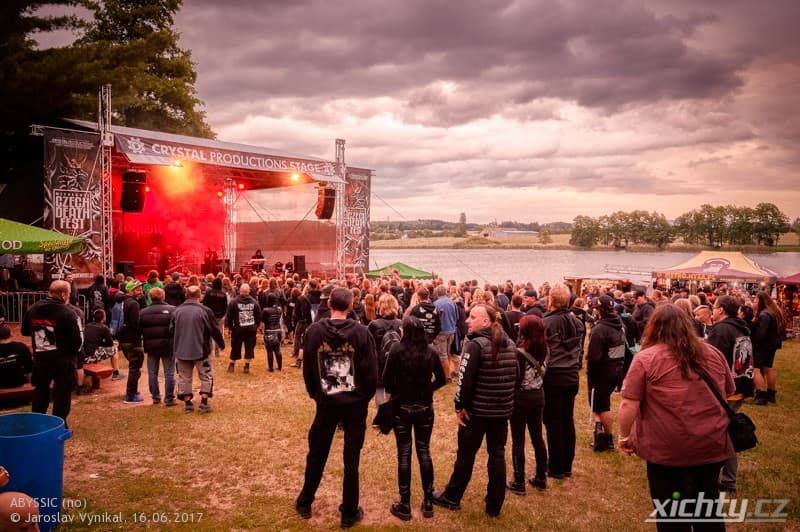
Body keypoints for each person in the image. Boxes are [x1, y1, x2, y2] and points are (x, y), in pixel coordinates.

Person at [618, 304, 734, 532]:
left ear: (654, 329)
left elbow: (628, 403)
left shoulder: (645, 359)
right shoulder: (713, 353)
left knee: (672, 515)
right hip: (710, 445)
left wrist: (624, 437)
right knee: (707, 512)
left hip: (668, 451)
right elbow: (728, 391)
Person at [295, 287, 377, 529]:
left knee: (317, 453)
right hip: (350, 403)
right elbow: (371, 371)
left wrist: (317, 394)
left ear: (329, 303)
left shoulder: (314, 331)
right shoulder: (362, 333)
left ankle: (307, 502)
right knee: (350, 458)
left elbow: (308, 368)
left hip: (331, 401)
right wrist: (363, 396)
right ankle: (346, 511)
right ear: (350, 306)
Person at [433, 304, 519, 518]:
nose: (467, 321)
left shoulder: (476, 345)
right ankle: (494, 505)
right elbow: (515, 378)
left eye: (472, 317)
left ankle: (452, 496)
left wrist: (459, 407)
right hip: (500, 412)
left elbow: (464, 381)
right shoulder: (510, 344)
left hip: (477, 412)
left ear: (486, 322)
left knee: (466, 455)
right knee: (497, 455)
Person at [382, 316, 446, 520]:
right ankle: (428, 502)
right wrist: (428, 390)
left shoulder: (396, 350)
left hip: (402, 406)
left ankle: (405, 503)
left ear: (406, 331)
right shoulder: (431, 351)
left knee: (404, 453)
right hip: (424, 407)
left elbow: (386, 381)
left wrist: (397, 392)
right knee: (424, 450)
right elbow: (442, 379)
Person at [707, 295, 753, 494]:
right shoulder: (741, 327)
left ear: (722, 310)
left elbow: (711, 360)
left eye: (715, 307)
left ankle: (724, 480)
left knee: (721, 435)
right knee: (726, 432)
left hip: (728, 389)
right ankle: (727, 480)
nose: (713, 310)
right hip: (742, 384)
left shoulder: (721, 330)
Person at [20, 280, 82, 426]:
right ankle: (59, 424)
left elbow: (25, 331)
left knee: (41, 390)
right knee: (62, 392)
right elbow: (76, 341)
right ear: (63, 294)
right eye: (68, 294)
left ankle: (38, 422)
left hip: (41, 358)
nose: (69, 296)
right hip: (63, 359)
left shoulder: (33, 309)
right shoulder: (68, 312)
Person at [542, 283, 585, 479]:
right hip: (571, 376)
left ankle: (556, 467)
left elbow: (544, 353)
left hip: (554, 377)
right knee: (567, 419)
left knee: (554, 422)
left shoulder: (548, 323)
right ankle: (566, 464)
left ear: (551, 300)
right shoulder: (577, 322)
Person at [506, 315, 548, 495]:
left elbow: (515, 379)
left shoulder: (519, 353)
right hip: (538, 395)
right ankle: (541, 477)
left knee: (518, 440)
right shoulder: (546, 349)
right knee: (537, 437)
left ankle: (519, 480)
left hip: (521, 398)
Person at [172, 285, 225, 414]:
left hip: (182, 350)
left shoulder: (177, 311)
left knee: (184, 377)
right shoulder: (205, 311)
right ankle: (204, 402)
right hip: (201, 350)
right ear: (199, 296)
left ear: (186, 295)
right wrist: (221, 344)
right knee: (206, 375)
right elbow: (214, 329)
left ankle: (188, 403)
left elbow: (171, 330)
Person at [586, 295, 626, 452]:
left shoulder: (599, 330)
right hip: (616, 369)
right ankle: (600, 436)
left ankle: (608, 440)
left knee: (602, 406)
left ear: (599, 310)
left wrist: (591, 375)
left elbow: (594, 358)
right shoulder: (620, 325)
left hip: (602, 372)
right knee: (600, 404)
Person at [139, 287, 176, 406]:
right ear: (163, 296)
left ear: (149, 297)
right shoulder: (172, 310)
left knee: (152, 372)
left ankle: (155, 397)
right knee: (169, 373)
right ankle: (169, 398)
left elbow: (139, 330)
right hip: (167, 346)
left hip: (151, 346)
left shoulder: (143, 312)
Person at [750, 291, 785, 405]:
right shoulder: (773, 312)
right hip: (771, 345)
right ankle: (770, 394)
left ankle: (761, 396)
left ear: (760, 301)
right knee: (768, 368)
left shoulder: (764, 314)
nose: (753, 303)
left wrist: (754, 344)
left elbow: (761, 333)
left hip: (763, 346)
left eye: (755, 300)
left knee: (756, 369)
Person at [367, 293, 402, 406]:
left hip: (378, 361)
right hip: (396, 361)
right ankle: (392, 414)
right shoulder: (400, 323)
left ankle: (382, 416)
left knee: (379, 390)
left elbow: (368, 345)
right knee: (393, 389)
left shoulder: (374, 324)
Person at [116, 280, 146, 404]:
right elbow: (135, 323)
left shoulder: (121, 301)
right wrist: (140, 334)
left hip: (123, 339)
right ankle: (131, 395)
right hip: (132, 340)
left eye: (140, 289)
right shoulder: (133, 304)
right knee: (135, 368)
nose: (140, 291)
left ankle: (133, 391)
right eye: (138, 289)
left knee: (133, 366)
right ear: (130, 290)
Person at [80, 309, 123, 388]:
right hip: (91, 356)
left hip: (83, 355)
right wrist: (113, 343)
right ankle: (116, 373)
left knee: (99, 349)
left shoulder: (88, 325)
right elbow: (109, 344)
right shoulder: (104, 328)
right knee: (114, 349)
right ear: (103, 318)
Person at [225, 283, 261, 374]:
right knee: (250, 347)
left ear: (240, 291)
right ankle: (247, 366)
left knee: (235, 346)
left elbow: (229, 316)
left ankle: (232, 364)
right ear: (248, 291)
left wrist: (230, 327)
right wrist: (256, 326)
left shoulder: (234, 302)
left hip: (238, 329)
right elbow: (258, 316)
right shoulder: (254, 302)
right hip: (251, 329)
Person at [433, 285, 458, 381]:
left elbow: (435, 320)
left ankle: (447, 377)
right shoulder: (452, 302)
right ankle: (445, 373)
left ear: (437, 293)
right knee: (447, 353)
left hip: (442, 332)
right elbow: (457, 316)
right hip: (451, 330)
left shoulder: (436, 304)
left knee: (442, 355)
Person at [0, 323, 33, 388]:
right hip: (18, 385)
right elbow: (29, 370)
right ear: (11, 334)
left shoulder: (21, 347)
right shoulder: (21, 347)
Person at [202, 277, 228, 357]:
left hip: (209, 316)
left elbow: (204, 303)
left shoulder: (208, 292)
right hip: (219, 317)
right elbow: (225, 306)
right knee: (218, 333)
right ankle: (217, 352)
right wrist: (223, 315)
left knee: (208, 333)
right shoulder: (223, 294)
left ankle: (209, 350)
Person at [261, 294, 283, 372]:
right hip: (278, 330)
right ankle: (280, 367)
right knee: (278, 349)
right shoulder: (279, 309)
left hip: (269, 331)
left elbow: (262, 320)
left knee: (269, 350)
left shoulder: (265, 310)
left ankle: (271, 368)